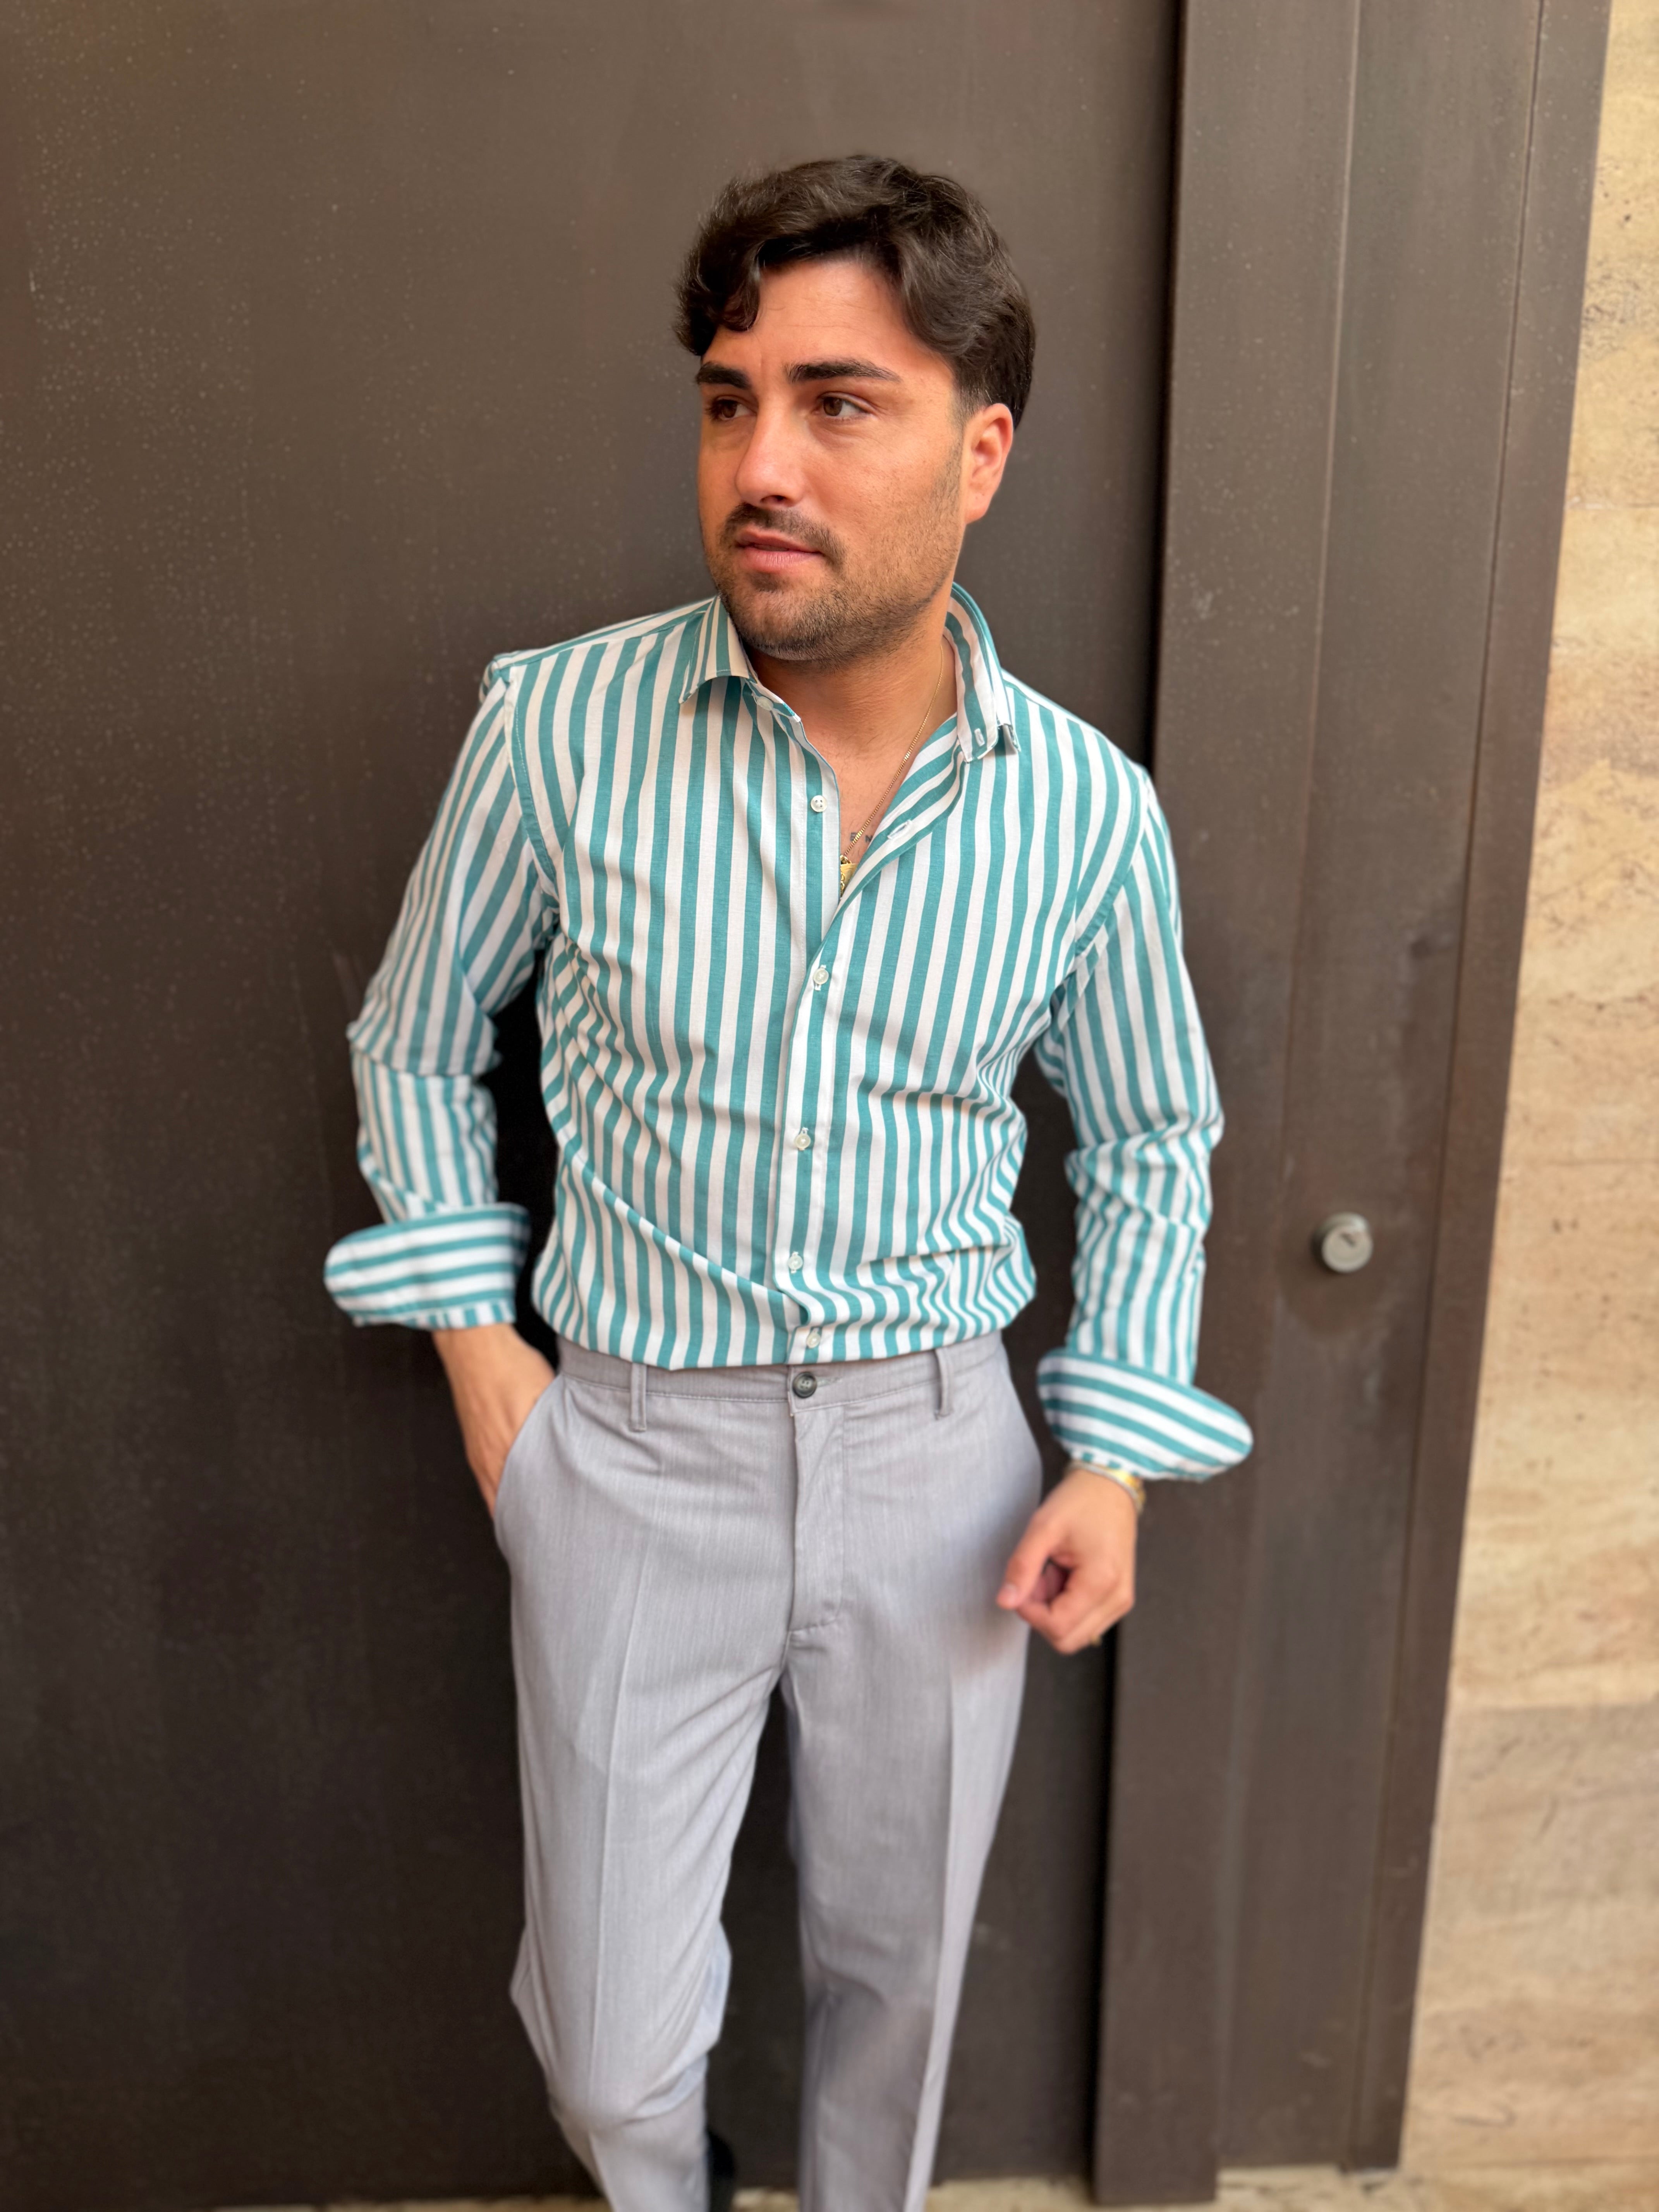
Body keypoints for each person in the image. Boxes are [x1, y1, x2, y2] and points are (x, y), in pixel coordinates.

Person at [323, 155, 1252, 2212]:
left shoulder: (1085, 813)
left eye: (841, 404)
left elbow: (1152, 1135)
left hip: (943, 1467)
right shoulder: (557, 729)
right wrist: (487, 1366)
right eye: (732, 400)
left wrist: (1111, 1461)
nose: (763, 463)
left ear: (979, 452)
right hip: (629, 1458)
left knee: (898, 1991)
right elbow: (413, 1036)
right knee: (610, 2054)